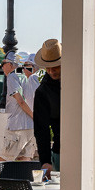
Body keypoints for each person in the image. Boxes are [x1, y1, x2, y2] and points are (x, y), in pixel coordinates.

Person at [0, 54, 40, 165]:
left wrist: (33, 116)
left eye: (3, 64)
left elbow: (20, 101)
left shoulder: (12, 77)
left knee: (2, 159)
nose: (2, 67)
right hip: (31, 127)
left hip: (17, 126)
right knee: (24, 160)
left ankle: (6, 177)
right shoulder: (27, 78)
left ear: (10, 65)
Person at [32, 39, 62, 167]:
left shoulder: (80, 81)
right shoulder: (42, 92)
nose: (51, 71)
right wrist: (45, 161)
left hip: (93, 148)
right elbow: (41, 129)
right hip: (62, 150)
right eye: (48, 68)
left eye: (55, 66)